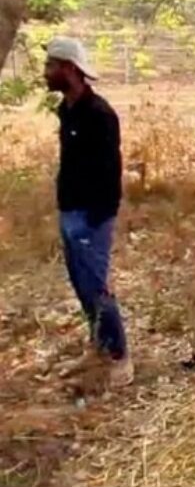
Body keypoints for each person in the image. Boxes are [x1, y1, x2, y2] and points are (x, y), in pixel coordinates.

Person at [45, 37, 133, 387]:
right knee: (81, 285)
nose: (46, 72)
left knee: (96, 286)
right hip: (69, 210)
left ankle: (119, 358)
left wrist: (97, 218)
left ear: (70, 69)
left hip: (92, 216)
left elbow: (111, 171)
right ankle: (98, 345)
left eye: (52, 65)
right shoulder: (67, 110)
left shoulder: (100, 115)